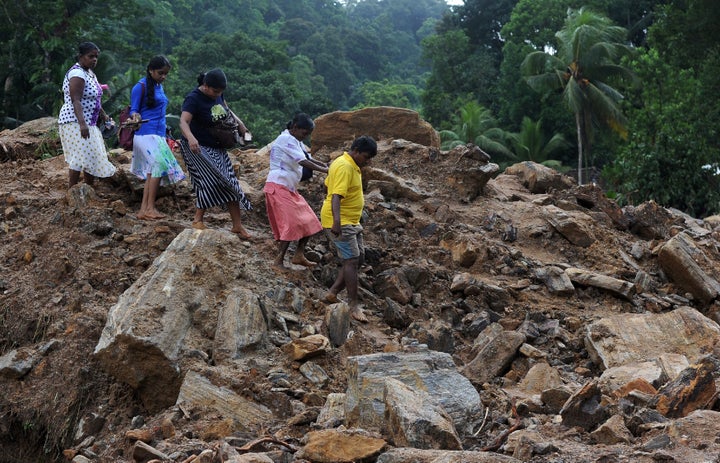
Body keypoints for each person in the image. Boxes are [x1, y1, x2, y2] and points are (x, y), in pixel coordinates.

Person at [178, 68, 253, 239]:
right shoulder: (193, 99)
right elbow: (183, 122)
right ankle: (197, 219)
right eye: (215, 91)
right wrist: (191, 138)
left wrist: (241, 126)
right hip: (197, 147)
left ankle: (237, 226)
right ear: (205, 86)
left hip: (217, 147)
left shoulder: (218, 95)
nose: (217, 95)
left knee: (230, 182)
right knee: (210, 180)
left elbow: (227, 110)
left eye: (220, 92)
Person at [320, 135, 377, 322]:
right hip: (341, 221)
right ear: (356, 151)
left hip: (351, 221)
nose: (367, 162)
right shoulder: (345, 166)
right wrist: (336, 222)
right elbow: (336, 195)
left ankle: (333, 292)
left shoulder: (349, 163)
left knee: (358, 258)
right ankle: (353, 306)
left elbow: (328, 184)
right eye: (366, 157)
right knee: (351, 261)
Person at [264, 113, 329, 268]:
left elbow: (308, 157)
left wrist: (326, 165)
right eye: (304, 133)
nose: (305, 137)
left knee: (310, 221)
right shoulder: (286, 139)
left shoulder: (295, 140)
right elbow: (303, 161)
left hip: (289, 188)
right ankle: (279, 260)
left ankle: (298, 255)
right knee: (291, 224)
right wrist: (325, 171)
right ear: (294, 127)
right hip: (278, 186)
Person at [126, 55, 186, 220]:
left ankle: (144, 210)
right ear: (151, 70)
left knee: (153, 172)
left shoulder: (159, 86)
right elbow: (134, 109)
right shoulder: (140, 86)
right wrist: (135, 117)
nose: (163, 76)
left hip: (158, 135)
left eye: (166, 74)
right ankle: (150, 208)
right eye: (160, 73)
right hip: (145, 134)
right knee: (158, 166)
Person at [58, 42, 116, 188]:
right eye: (91, 56)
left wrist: (104, 115)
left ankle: (88, 190)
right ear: (81, 56)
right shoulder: (77, 73)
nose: (94, 59)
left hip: (89, 121)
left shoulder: (90, 73)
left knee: (91, 155)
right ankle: (72, 191)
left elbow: (95, 98)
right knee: (79, 156)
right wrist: (82, 124)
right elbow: (75, 100)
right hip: (74, 121)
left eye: (96, 57)